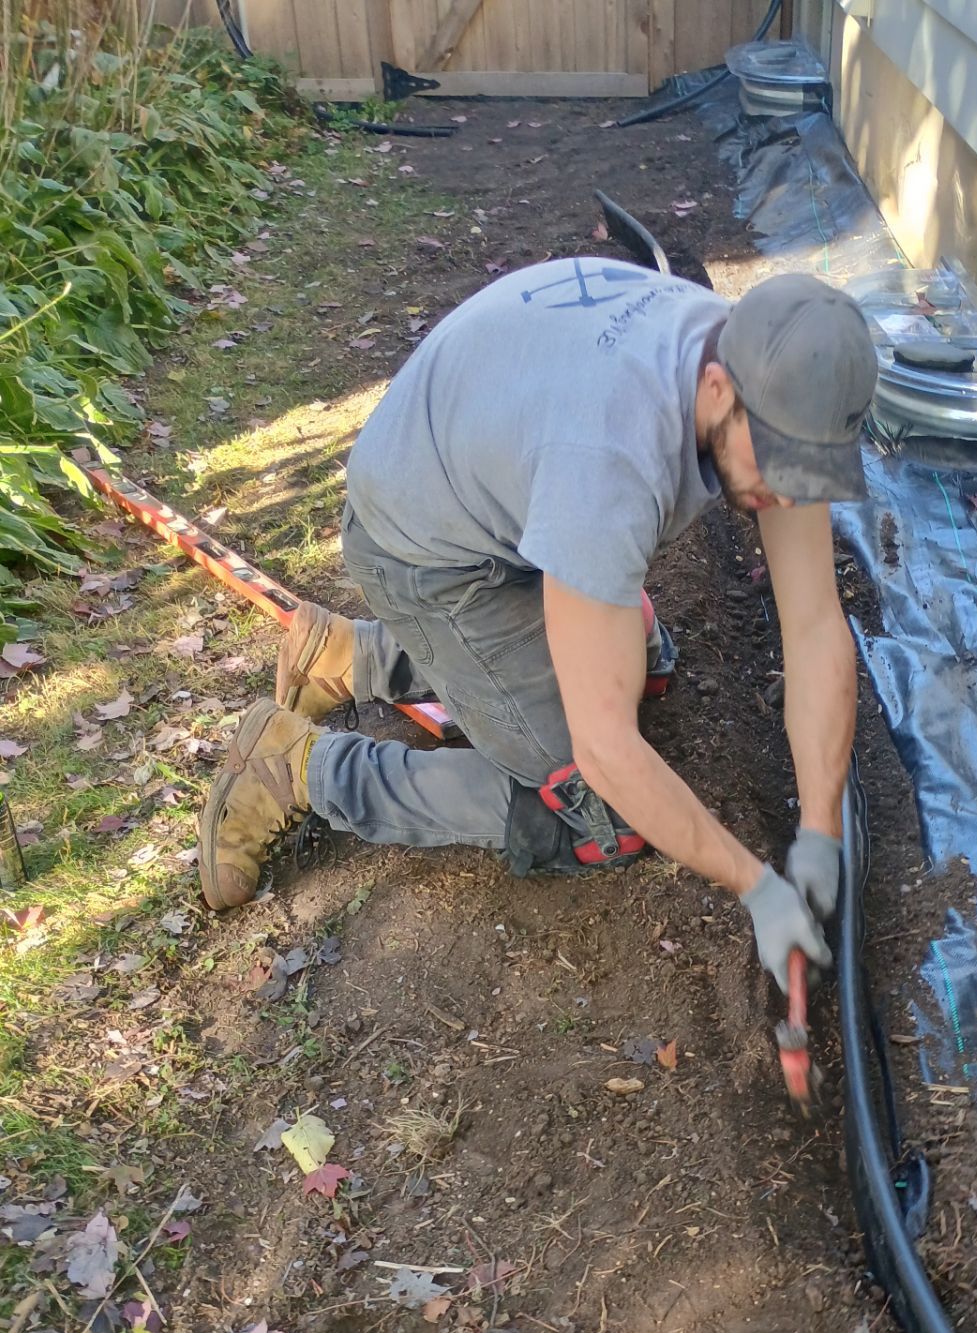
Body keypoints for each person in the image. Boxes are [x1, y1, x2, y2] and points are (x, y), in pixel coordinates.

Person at [197, 258, 877, 989]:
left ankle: (351, 656)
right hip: (429, 557)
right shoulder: (612, 455)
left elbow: (815, 626)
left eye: (808, 471)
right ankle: (298, 767)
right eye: (779, 466)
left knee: (640, 657)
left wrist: (820, 832)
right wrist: (758, 887)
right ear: (718, 388)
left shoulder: (768, 379)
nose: (788, 494)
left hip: (500, 500)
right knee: (597, 813)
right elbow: (606, 752)